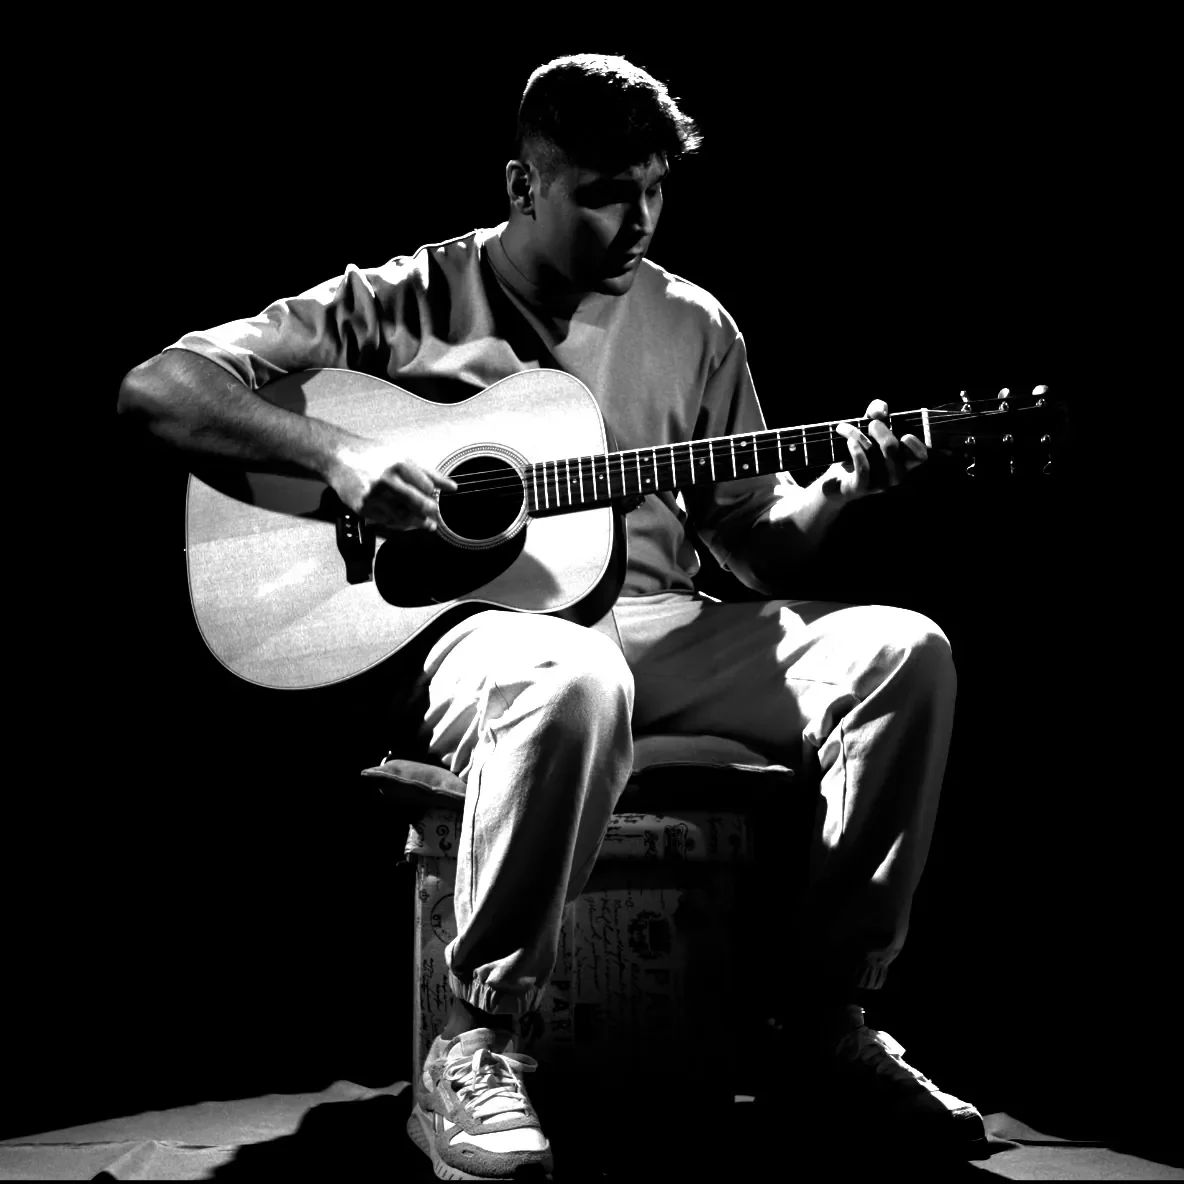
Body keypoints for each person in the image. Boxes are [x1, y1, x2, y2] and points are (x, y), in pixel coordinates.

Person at [118, 53, 984, 1181]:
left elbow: (752, 547)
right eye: (603, 191)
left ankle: (824, 1020)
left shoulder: (692, 323)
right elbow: (158, 387)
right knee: (574, 675)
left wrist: (842, 486)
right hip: (492, 637)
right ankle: (473, 1040)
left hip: (668, 624)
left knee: (902, 651)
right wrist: (339, 454)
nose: (638, 219)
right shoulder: (403, 300)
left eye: (654, 187)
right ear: (523, 186)